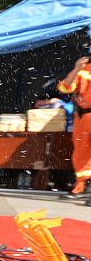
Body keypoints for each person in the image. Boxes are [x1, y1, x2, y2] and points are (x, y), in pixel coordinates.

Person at [57, 54, 91, 197]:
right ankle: (82, 186)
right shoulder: (83, 69)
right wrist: (77, 68)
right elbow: (65, 88)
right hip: (82, 117)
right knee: (81, 152)